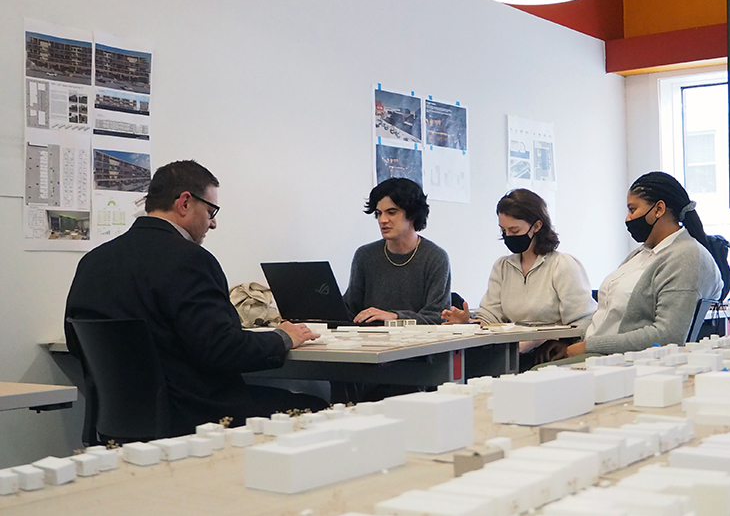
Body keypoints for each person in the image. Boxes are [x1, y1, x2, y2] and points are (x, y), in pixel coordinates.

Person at [65, 160, 325, 438]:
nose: (213, 223)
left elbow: (74, 341)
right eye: (211, 211)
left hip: (118, 422)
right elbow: (222, 350)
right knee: (319, 408)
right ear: (185, 202)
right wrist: (283, 337)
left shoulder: (94, 261)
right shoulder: (190, 260)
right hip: (196, 417)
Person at [556, 171, 723, 360]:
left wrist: (588, 346)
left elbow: (668, 335)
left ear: (659, 209)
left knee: (531, 378)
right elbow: (607, 315)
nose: (628, 218)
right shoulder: (641, 254)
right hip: (597, 353)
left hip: (620, 361)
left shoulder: (686, 255)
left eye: (632, 209)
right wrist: (571, 342)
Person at [442, 188, 595, 328]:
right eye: (504, 231)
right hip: (516, 350)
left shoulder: (562, 265)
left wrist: (561, 343)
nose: (508, 236)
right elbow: (490, 316)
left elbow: (585, 320)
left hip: (548, 351)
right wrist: (467, 322)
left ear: (537, 226)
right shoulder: (502, 267)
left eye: (514, 230)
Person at [344, 177, 451, 325]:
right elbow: (350, 309)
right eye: (379, 213)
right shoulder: (365, 255)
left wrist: (395, 317)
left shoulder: (435, 257)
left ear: (412, 214)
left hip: (419, 344)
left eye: (391, 212)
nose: (383, 220)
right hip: (371, 340)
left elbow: (437, 317)